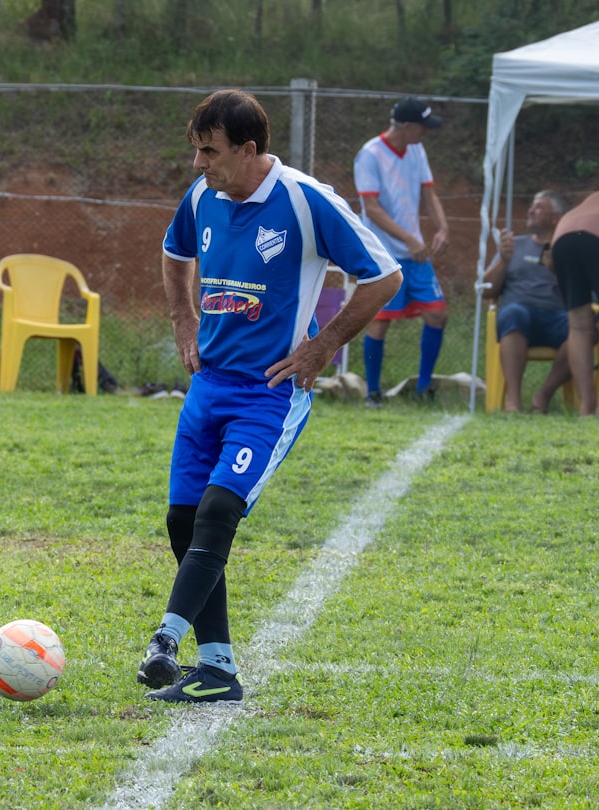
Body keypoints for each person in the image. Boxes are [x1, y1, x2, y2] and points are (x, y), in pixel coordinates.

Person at [139, 89, 402, 703]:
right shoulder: (204, 196)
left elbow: (384, 275)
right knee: (183, 522)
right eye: (196, 151)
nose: (198, 165)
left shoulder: (306, 202)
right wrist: (183, 320)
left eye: (210, 152)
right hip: (208, 387)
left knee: (218, 512)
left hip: (269, 394)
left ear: (249, 150)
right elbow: (174, 252)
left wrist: (322, 347)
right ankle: (220, 670)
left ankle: (165, 643)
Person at [354, 96, 450, 406]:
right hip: (384, 253)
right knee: (380, 321)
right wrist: (410, 239)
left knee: (438, 314)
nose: (426, 133)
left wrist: (443, 227)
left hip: (415, 251)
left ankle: (423, 390)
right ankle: (373, 393)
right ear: (407, 127)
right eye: (423, 128)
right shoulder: (369, 155)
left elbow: (429, 191)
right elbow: (372, 208)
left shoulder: (416, 149)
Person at [482, 190, 572, 412]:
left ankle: (542, 396)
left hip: (558, 317)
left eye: (539, 207)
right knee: (515, 314)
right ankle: (513, 401)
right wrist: (503, 261)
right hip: (520, 313)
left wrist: (558, 269)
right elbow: (486, 291)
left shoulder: (568, 249)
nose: (531, 210)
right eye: (532, 205)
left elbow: (583, 293)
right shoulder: (514, 245)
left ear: (556, 218)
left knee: (584, 329)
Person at [551, 191, 599, 416]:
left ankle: (586, 406)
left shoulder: (590, 199)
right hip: (595, 234)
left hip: (563, 235)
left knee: (579, 326)